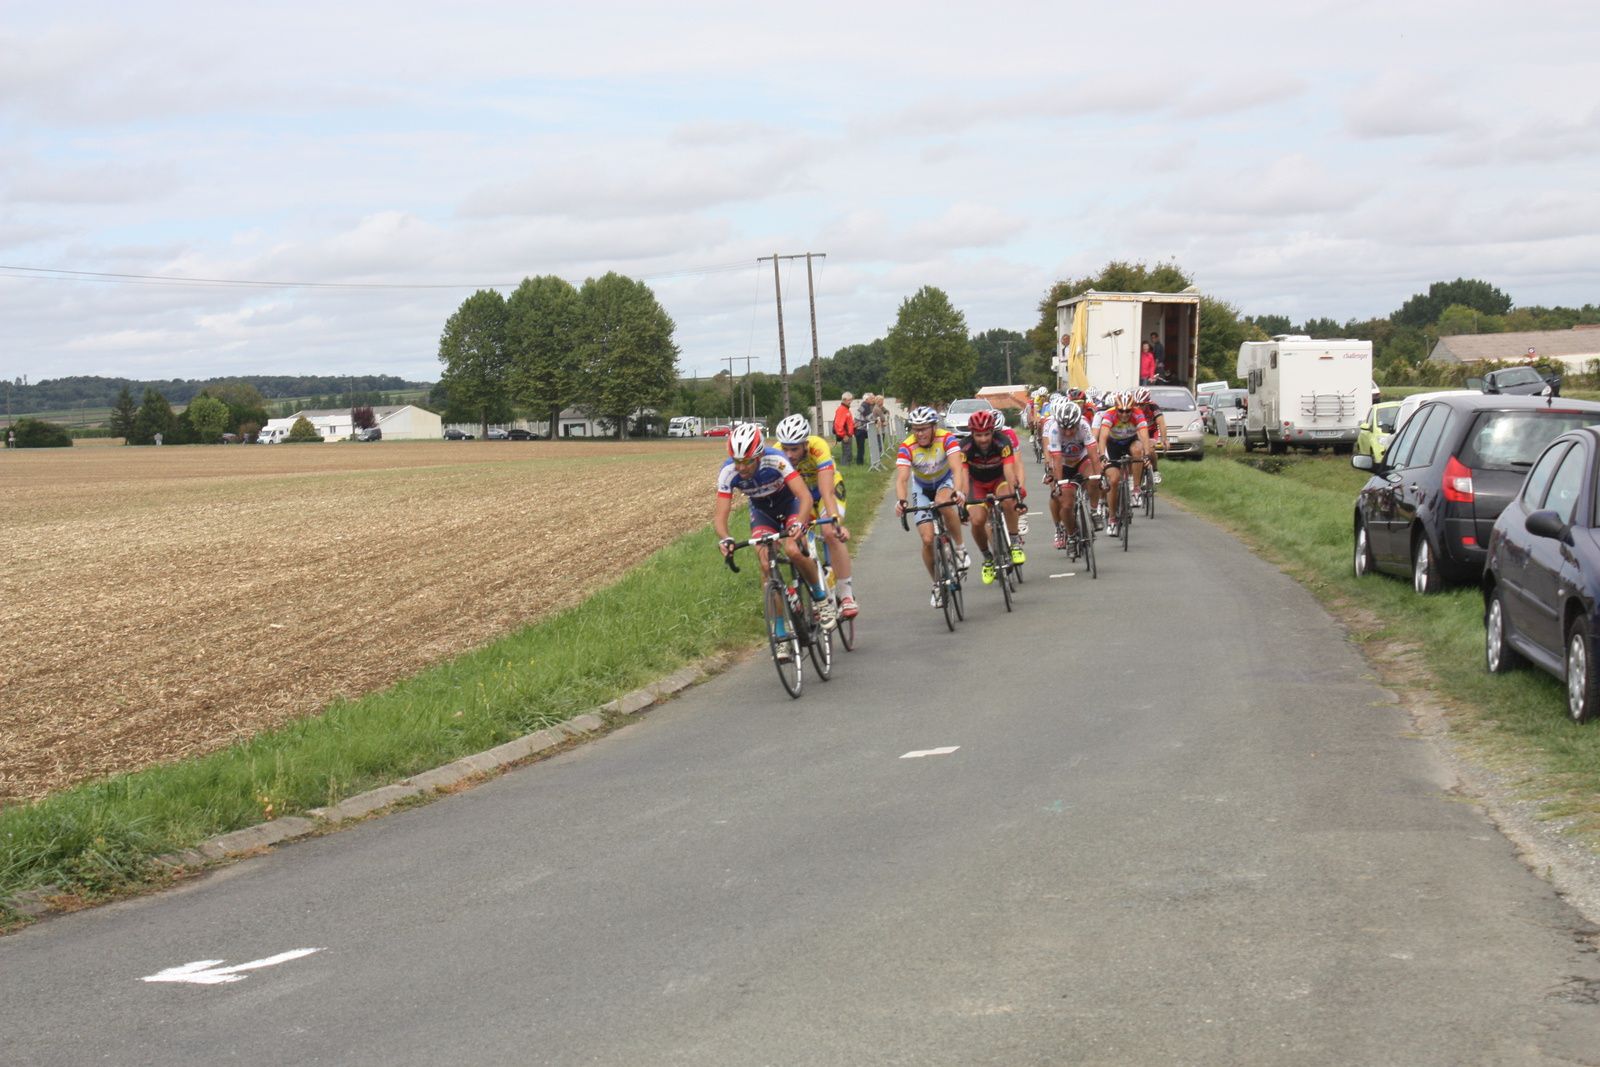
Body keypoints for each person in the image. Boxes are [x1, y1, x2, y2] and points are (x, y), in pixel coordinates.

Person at [714, 424, 836, 646]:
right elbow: (720, 517)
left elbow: (805, 497)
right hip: (762, 512)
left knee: (792, 549)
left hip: (790, 504)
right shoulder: (728, 471)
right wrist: (725, 538)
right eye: (737, 460)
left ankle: (820, 597)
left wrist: (799, 522)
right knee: (764, 564)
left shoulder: (776, 459)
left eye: (747, 461)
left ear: (759, 455)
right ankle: (780, 632)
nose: (741, 467)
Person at [775, 413, 859, 619]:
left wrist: (834, 518)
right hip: (801, 497)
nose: (789, 454)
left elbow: (826, 491)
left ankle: (846, 595)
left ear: (805, 443)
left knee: (829, 532)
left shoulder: (818, 446)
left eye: (794, 449)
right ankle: (817, 588)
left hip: (826, 490)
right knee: (797, 539)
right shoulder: (776, 454)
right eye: (785, 448)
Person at [894, 405, 972, 609]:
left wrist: (959, 491)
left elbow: (957, 469)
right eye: (915, 429)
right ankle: (937, 583)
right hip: (921, 487)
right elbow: (902, 479)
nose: (919, 433)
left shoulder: (947, 438)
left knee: (943, 503)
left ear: (934, 427)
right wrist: (901, 501)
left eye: (924, 428)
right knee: (927, 539)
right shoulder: (907, 446)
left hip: (945, 482)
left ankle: (961, 550)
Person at [960, 409, 1026, 585]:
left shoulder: (1003, 441)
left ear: (993, 432)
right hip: (977, 484)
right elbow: (964, 477)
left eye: (987, 434)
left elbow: (1009, 471)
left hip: (999, 479)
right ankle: (987, 558)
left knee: (1008, 500)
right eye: (978, 435)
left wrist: (1016, 495)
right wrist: (962, 503)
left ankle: (1014, 543)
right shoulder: (965, 447)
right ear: (972, 433)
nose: (983, 439)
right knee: (977, 520)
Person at [1045, 397, 1102, 551]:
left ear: (1078, 423)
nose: (1069, 432)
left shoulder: (1084, 426)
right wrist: (1058, 484)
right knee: (1066, 504)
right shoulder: (1054, 430)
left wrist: (1100, 477)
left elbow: (1093, 455)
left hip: (1082, 460)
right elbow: (1056, 460)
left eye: (1072, 428)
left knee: (1094, 478)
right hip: (1063, 465)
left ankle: (1094, 511)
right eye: (1065, 428)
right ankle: (1071, 535)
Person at [1094, 390, 1152, 537]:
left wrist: (1146, 454)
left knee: (1138, 450)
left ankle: (1136, 489)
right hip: (1112, 446)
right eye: (1121, 411)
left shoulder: (1138, 413)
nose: (1125, 414)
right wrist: (1102, 456)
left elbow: (1144, 435)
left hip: (1129, 443)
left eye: (1128, 411)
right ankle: (1112, 519)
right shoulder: (1109, 415)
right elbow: (1103, 437)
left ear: (1132, 409)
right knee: (1113, 480)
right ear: (1116, 408)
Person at [1134, 386, 1166, 485]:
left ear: (1147, 403)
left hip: (1151, 432)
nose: (1139, 407)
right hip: (1138, 432)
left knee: (1151, 450)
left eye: (1142, 405)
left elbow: (1161, 424)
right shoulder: (1132, 409)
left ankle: (1155, 471)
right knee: (1136, 451)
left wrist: (1164, 440)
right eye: (1137, 404)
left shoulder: (1154, 407)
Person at [833, 393, 856, 466]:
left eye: (851, 400)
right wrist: (843, 435)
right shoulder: (842, 410)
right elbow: (838, 424)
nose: (850, 402)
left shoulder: (845, 409)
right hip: (845, 436)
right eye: (849, 400)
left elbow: (847, 423)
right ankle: (845, 468)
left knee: (848, 453)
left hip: (848, 435)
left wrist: (853, 425)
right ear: (844, 400)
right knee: (846, 454)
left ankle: (847, 467)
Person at [853, 394, 872, 466]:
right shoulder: (865, 406)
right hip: (860, 429)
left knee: (860, 447)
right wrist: (876, 421)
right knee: (860, 448)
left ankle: (860, 463)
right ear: (866, 400)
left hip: (859, 429)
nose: (871, 400)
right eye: (870, 399)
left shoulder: (863, 405)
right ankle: (859, 463)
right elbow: (869, 417)